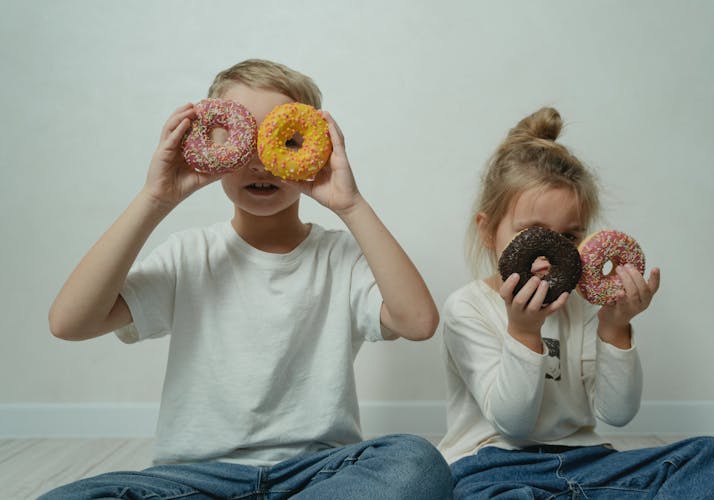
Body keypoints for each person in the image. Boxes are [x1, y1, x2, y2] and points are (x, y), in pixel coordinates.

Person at [43, 59, 452, 499]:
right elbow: (71, 322)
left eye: (284, 141)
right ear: (207, 146)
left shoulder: (339, 256)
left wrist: (350, 205)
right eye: (242, 142)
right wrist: (155, 198)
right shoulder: (190, 255)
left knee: (414, 460)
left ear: (316, 147)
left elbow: (417, 323)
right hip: (196, 477)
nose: (260, 162)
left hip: (316, 474)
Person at [439, 107, 714, 499]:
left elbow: (617, 415)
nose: (551, 255)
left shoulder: (583, 306)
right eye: (533, 234)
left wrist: (615, 327)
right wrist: (523, 333)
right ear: (487, 230)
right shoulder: (466, 308)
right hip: (495, 467)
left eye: (569, 238)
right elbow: (513, 425)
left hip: (589, 462)